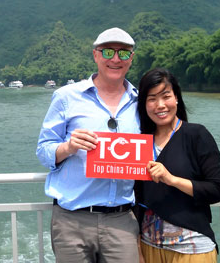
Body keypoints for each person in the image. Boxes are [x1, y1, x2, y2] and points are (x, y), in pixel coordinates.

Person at [36, 27, 141, 262]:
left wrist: (202, 171)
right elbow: (43, 150)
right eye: (107, 52)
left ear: (131, 59)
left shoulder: (141, 101)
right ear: (95, 55)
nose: (115, 59)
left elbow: (163, 143)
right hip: (71, 220)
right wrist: (68, 147)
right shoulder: (66, 97)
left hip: (121, 220)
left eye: (123, 53)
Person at [135, 68, 220, 263]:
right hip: (148, 246)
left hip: (192, 248)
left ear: (176, 97)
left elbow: (216, 190)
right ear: (144, 104)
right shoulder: (139, 142)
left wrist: (172, 179)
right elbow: (132, 200)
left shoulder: (196, 135)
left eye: (166, 96)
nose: (160, 105)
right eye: (151, 99)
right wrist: (137, 248)